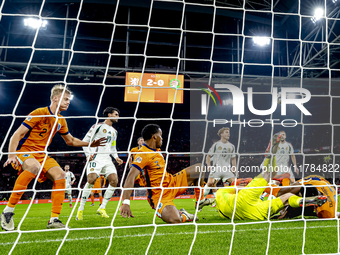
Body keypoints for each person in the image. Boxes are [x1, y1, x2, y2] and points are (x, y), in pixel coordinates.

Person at [1, 84, 106, 231]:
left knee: (61, 175)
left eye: (69, 99)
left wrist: (90, 143)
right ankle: (8, 211)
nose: (68, 102)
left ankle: (54, 219)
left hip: (42, 155)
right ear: (55, 98)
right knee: (33, 167)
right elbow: (16, 134)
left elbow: (71, 141)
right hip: (25, 151)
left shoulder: (61, 121)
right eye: (66, 99)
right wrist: (11, 155)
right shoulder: (39, 112)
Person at [199, 133, 327, 221]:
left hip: (247, 209)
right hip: (250, 208)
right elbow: (236, 189)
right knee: (283, 192)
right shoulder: (223, 194)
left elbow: (231, 190)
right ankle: (300, 201)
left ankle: (272, 152)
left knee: (274, 179)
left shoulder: (222, 198)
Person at [120, 124, 205, 223]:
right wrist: (126, 202)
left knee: (200, 168)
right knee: (174, 219)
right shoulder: (143, 154)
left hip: (172, 182)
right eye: (160, 135)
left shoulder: (157, 151)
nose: (162, 138)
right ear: (154, 137)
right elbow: (130, 177)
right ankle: (184, 215)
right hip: (159, 194)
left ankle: (200, 200)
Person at [76, 107, 123, 220]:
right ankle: (80, 210)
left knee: (114, 181)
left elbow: (112, 147)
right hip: (96, 158)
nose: (118, 117)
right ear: (109, 115)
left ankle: (102, 207)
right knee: (91, 180)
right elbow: (84, 141)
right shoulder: (97, 126)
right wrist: (88, 154)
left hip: (107, 159)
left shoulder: (114, 132)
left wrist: (116, 157)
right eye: (116, 114)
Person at [204, 127, 237, 206]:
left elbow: (233, 158)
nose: (228, 134)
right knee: (210, 183)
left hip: (227, 169)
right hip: (217, 168)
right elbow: (208, 156)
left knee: (234, 183)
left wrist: (234, 168)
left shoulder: (231, 146)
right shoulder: (216, 145)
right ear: (221, 134)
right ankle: (200, 200)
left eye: (229, 132)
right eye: (226, 132)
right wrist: (209, 166)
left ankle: (227, 203)